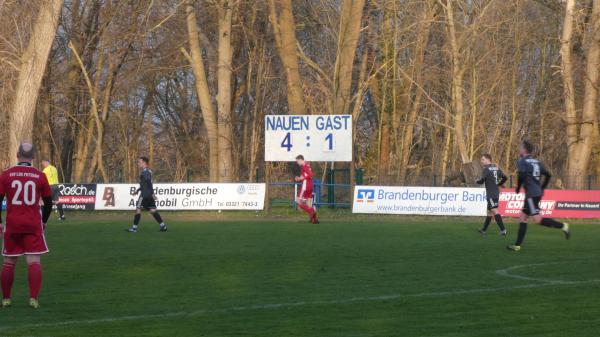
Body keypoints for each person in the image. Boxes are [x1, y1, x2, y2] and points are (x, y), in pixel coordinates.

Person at [0, 143, 53, 309]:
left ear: (17, 155)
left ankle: (6, 299)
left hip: (13, 224)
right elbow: (49, 203)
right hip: (33, 224)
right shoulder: (39, 175)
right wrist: (43, 221)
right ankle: (33, 299)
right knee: (34, 261)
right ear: (33, 157)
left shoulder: (6, 175)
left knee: (9, 262)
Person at [507, 141, 571, 251]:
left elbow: (521, 175)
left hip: (532, 194)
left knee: (537, 220)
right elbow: (548, 175)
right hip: (534, 193)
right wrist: (542, 188)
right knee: (522, 218)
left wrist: (518, 188)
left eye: (520, 148)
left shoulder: (522, 161)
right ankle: (517, 245)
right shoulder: (537, 162)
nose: (519, 149)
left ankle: (564, 226)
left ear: (525, 150)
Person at [126, 157, 167, 232]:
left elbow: (148, 183)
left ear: (144, 162)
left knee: (138, 209)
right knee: (152, 210)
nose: (138, 163)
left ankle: (134, 228)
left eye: (139, 162)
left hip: (144, 195)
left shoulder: (145, 172)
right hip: (148, 194)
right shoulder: (148, 171)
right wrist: (138, 190)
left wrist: (153, 194)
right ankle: (163, 226)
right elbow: (144, 184)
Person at [476, 154, 507, 235]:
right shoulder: (496, 168)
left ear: (488, 160)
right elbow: (505, 177)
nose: (481, 161)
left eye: (483, 159)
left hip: (491, 194)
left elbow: (482, 181)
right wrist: (499, 184)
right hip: (495, 193)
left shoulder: (486, 169)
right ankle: (484, 230)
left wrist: (477, 181)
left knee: (494, 210)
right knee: (490, 212)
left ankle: (503, 230)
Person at [294, 155, 319, 224]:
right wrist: (299, 178)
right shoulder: (306, 166)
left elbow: (311, 174)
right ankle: (314, 219)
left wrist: (302, 178)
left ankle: (311, 211)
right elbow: (305, 175)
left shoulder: (305, 166)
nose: (297, 163)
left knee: (298, 201)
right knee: (308, 203)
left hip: (305, 186)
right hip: (310, 186)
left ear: (300, 160)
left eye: (297, 161)